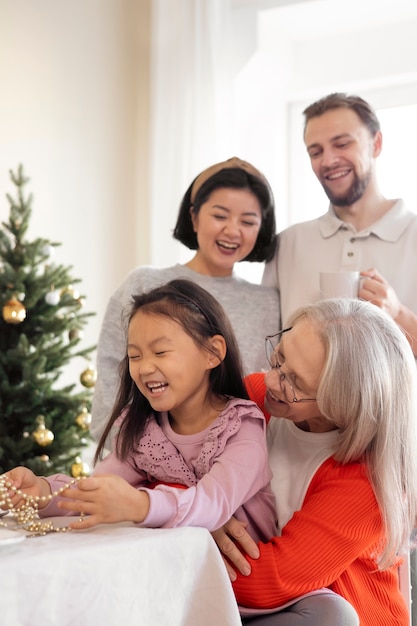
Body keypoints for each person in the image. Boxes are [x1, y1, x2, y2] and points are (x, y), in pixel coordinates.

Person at [3, 279, 277, 542]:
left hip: (250, 577)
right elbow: (96, 491)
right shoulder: (144, 431)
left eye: (160, 352)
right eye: (135, 356)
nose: (144, 368)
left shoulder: (241, 427)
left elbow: (213, 504)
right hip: (181, 567)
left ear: (212, 353)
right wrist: (42, 491)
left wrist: (140, 504)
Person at [213, 297, 417, 626]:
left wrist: (189, 545)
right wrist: (201, 515)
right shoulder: (256, 399)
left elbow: (271, 580)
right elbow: (169, 457)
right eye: (279, 359)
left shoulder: (368, 484)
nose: (271, 380)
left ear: (344, 404)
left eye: (296, 383)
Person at [91, 157, 280, 442]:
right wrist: (128, 453)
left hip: (230, 464)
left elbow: (265, 393)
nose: (232, 230)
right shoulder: (144, 283)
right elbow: (111, 376)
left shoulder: (268, 302)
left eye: (248, 221)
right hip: (141, 461)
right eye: (220, 216)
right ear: (194, 217)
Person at [263, 92, 417, 356]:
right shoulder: (287, 244)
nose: (328, 161)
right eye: (316, 151)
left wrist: (399, 314)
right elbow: (262, 348)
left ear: (376, 144)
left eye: (342, 144)